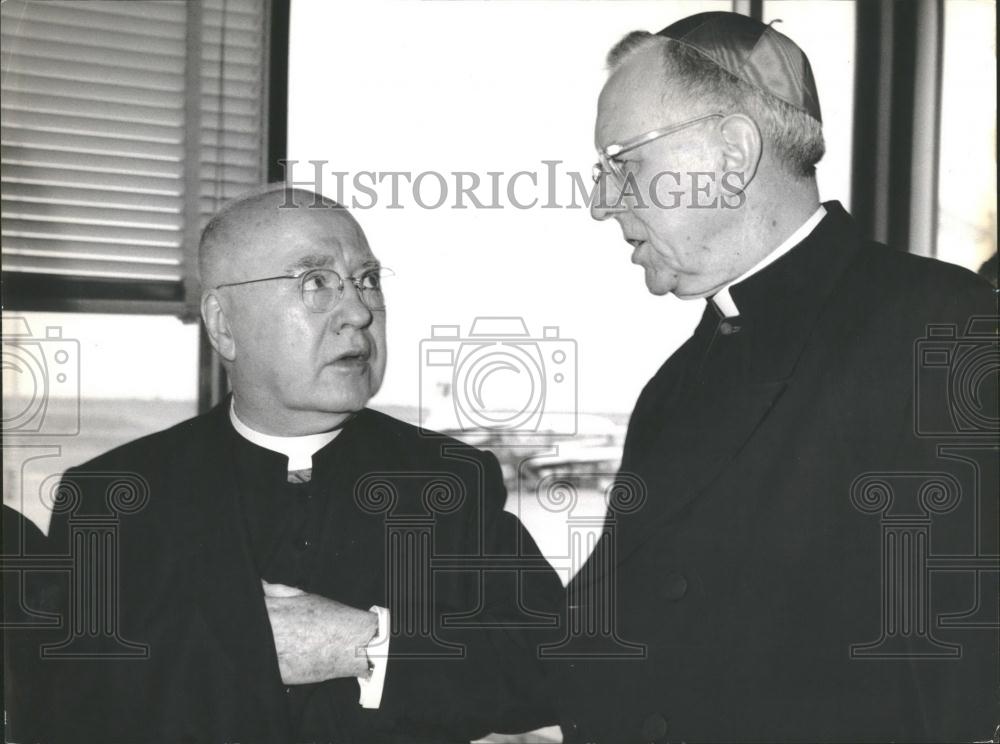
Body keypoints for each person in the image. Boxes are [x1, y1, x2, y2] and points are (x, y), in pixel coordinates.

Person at [552, 11, 998, 743]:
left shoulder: (942, 329)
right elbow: (600, 636)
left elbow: (969, 682)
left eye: (621, 162)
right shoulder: (674, 388)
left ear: (732, 151)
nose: (602, 203)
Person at [41, 185, 561, 743]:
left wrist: (365, 643)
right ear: (223, 325)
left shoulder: (451, 480)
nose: (359, 312)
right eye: (317, 283)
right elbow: (65, 711)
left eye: (367, 280)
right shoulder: (108, 500)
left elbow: (557, 664)